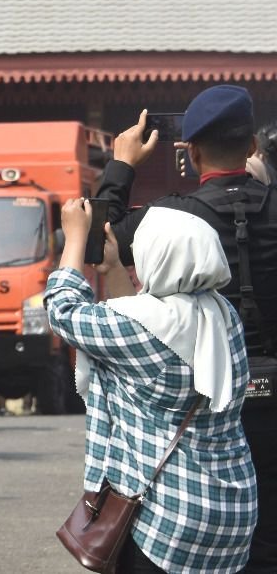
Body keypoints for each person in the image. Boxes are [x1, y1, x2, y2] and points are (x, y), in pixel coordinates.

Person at [103, 87, 277, 570]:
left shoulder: (171, 217)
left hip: (202, 400)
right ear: (252, 147)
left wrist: (122, 166)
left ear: (192, 153)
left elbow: (99, 238)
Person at [47, 197, 256, 573]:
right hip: (231, 512)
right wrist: (114, 269)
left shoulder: (140, 330)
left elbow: (62, 311)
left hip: (165, 518)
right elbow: (147, 328)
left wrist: (75, 239)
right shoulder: (224, 318)